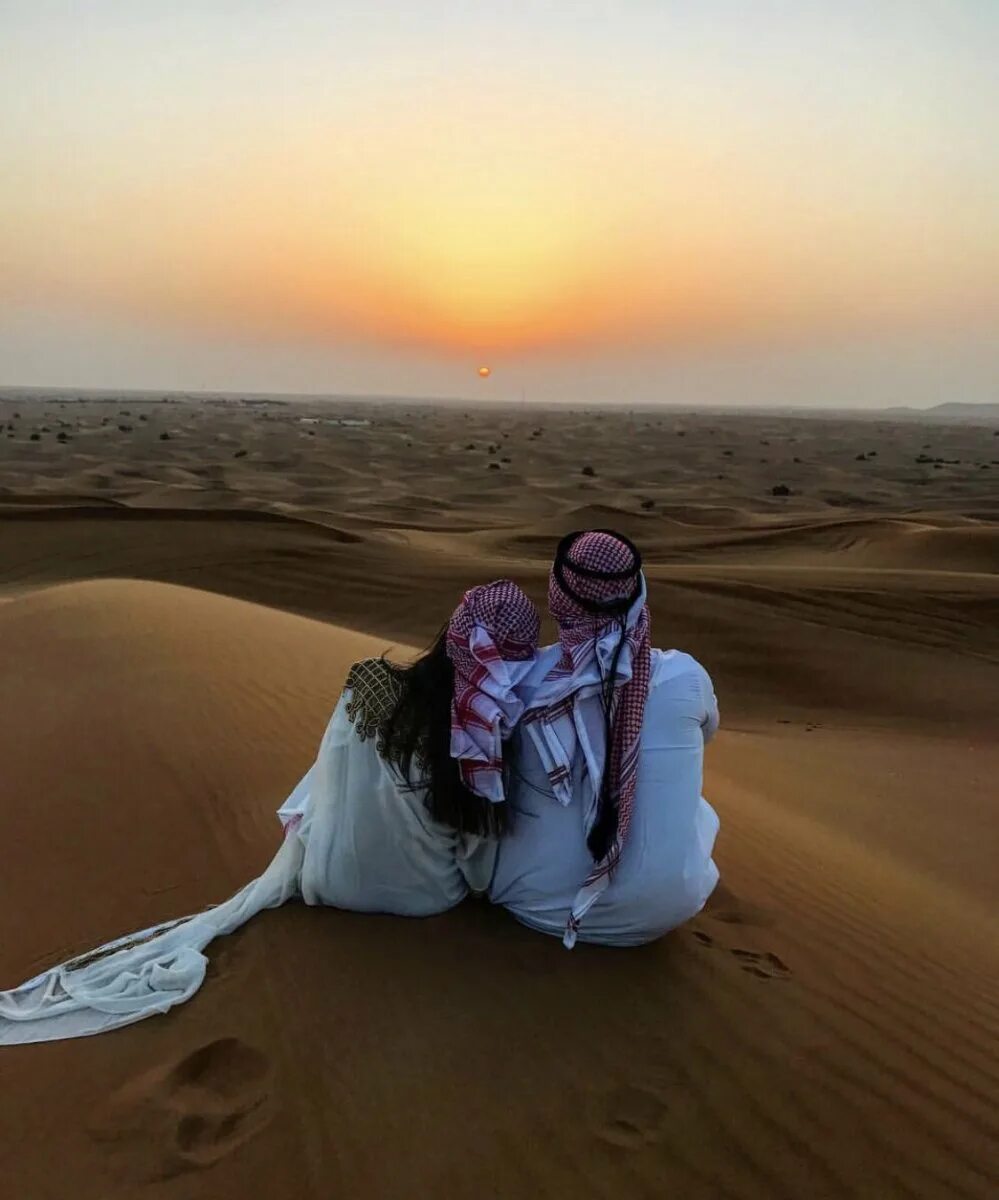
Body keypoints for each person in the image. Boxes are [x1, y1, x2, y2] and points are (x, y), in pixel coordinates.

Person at [0, 580, 540, 1044]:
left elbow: (330, 785)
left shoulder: (368, 684)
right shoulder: (493, 742)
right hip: (427, 901)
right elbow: (476, 859)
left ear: (451, 633)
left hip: (329, 884)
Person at [490, 530, 720, 948]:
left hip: (531, 906)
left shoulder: (521, 683)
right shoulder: (686, 676)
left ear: (557, 596)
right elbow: (708, 734)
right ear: (638, 596)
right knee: (694, 799)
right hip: (667, 910)